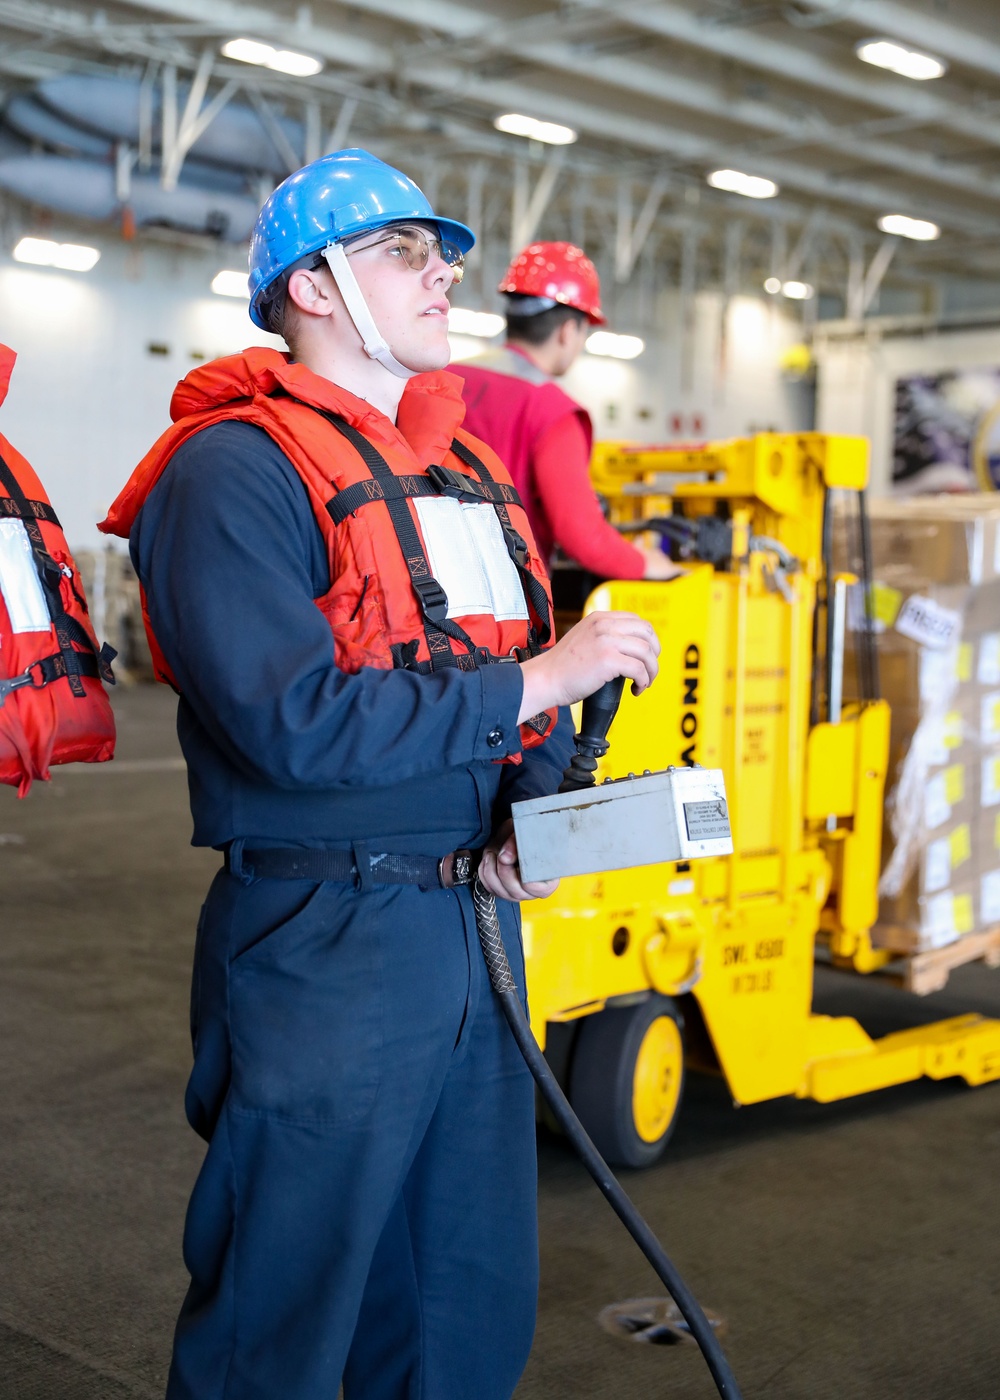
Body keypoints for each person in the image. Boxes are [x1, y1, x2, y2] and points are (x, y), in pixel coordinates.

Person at [100, 149, 659, 1400]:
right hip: (325, 936)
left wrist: (537, 803)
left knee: (461, 1291)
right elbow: (288, 721)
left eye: (441, 250)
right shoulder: (232, 472)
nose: (444, 270)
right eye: (404, 249)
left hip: (473, 925)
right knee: (287, 1306)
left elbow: (503, 673)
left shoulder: (464, 476)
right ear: (311, 285)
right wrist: (539, 685)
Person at [453, 240, 680, 581]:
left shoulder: (440, 379)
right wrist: (645, 563)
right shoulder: (552, 411)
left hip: (419, 587)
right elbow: (582, 537)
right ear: (568, 330)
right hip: (501, 603)